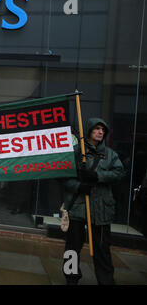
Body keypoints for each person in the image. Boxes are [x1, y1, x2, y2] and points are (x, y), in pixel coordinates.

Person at [62, 118, 125, 285]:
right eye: (97, 129)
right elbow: (64, 178)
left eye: (103, 130)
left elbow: (119, 174)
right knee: (72, 249)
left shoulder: (111, 155)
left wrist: (98, 176)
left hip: (101, 210)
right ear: (89, 130)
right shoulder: (76, 152)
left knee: (102, 250)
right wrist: (79, 186)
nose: (100, 132)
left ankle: (106, 281)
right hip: (77, 208)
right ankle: (71, 279)